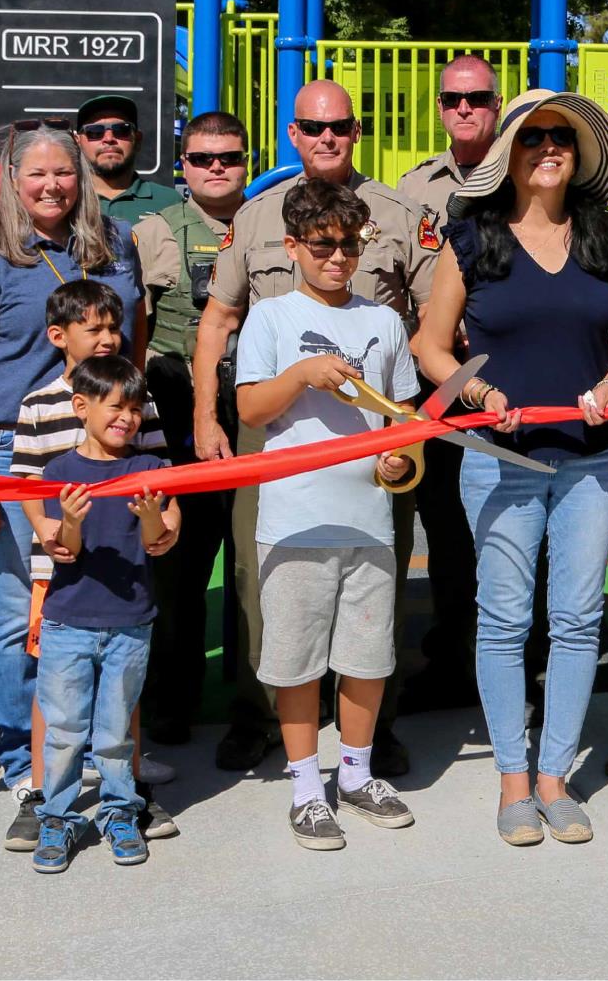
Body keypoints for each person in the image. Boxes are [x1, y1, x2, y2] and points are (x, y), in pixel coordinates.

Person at [414, 88, 608, 845]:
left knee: (578, 619)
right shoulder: (469, 237)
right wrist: (480, 390)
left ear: (578, 154)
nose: (548, 146)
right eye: (533, 136)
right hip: (501, 457)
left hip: (593, 460)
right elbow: (430, 347)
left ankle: (556, 777)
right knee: (505, 619)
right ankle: (513, 780)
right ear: (509, 153)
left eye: (562, 136)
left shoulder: (607, 237)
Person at [190, 80, 426, 776]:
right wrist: (208, 414)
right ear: (292, 134)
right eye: (312, 127)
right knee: (261, 578)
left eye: (340, 126)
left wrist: (407, 431)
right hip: (277, 431)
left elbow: (433, 309)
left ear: (356, 132)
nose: (327, 137)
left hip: (371, 429)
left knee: (377, 581)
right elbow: (219, 319)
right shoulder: (258, 214)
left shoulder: (397, 213)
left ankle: (372, 733)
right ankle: (261, 718)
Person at [0, 124, 146, 828]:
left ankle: (97, 755)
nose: (52, 185)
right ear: (12, 179)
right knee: (14, 612)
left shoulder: (114, 244)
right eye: (37, 174)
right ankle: (27, 765)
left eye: (65, 172)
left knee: (99, 595)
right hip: (7, 451)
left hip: (102, 447)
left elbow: (128, 345)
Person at [235, 181, 422, 850]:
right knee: (296, 659)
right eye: (323, 245)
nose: (338, 257)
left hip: (367, 518)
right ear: (293, 247)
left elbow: (401, 418)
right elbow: (253, 409)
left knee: (367, 656)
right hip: (294, 519)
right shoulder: (271, 317)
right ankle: (306, 787)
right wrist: (302, 375)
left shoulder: (384, 321)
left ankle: (356, 771)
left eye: (349, 244)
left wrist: (396, 461)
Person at [3, 281, 176, 851]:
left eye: (113, 328)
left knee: (117, 703)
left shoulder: (137, 400)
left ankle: (122, 796)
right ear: (60, 337)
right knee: (57, 700)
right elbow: (30, 484)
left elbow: (159, 485)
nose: (106, 338)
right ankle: (44, 800)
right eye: (93, 329)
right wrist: (52, 532)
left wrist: (156, 517)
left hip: (126, 574)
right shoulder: (38, 403)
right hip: (60, 575)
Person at [30, 356, 180, 873]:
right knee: (66, 728)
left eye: (136, 409)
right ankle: (57, 815)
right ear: (81, 406)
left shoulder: (153, 470)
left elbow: (161, 542)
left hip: (130, 624)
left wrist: (151, 516)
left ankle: (120, 811)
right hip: (67, 623)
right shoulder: (58, 473)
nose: (128, 418)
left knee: (116, 731)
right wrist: (68, 520)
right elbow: (63, 551)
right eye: (116, 406)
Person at [132, 110, 250, 743]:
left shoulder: (267, 226)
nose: (215, 168)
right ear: (182, 164)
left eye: (227, 158)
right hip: (177, 411)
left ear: (245, 162)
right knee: (176, 568)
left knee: (257, 569)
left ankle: (252, 708)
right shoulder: (154, 232)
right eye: (202, 158)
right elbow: (136, 330)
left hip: (257, 410)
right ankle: (170, 701)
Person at [393, 54, 499, 710]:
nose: (464, 108)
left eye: (477, 97)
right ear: (440, 106)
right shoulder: (415, 187)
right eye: (453, 98)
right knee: (445, 522)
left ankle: (522, 659)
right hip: (435, 378)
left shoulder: (521, 171)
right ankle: (454, 656)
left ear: (496, 103)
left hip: (506, 374)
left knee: (513, 518)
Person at [76, 95, 183, 221]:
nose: (109, 139)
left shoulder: (170, 202)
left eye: (122, 129)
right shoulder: (65, 201)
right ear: (78, 142)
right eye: (94, 131)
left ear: (137, 140)